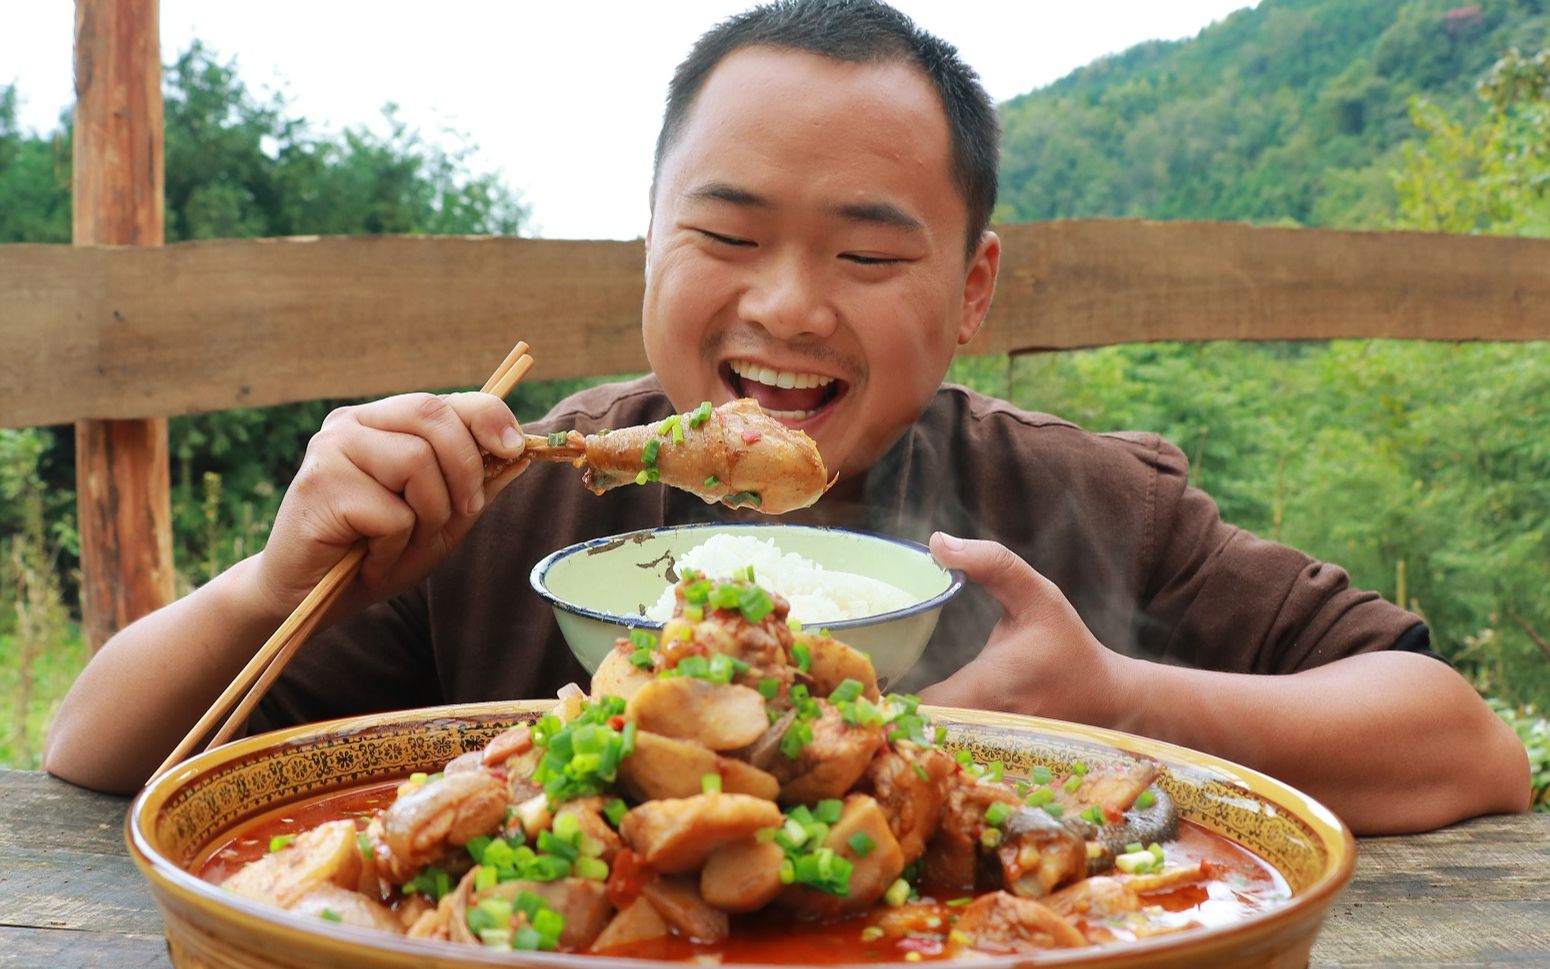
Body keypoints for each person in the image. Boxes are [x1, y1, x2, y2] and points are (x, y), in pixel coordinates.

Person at [44, 0, 1529, 833]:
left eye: (871, 255)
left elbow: (1464, 746)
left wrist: (1126, 702)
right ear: (646, 243)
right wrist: (280, 574)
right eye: (726, 234)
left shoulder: (1077, 500)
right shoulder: (500, 504)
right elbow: (94, 750)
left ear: (969, 291)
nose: (790, 306)